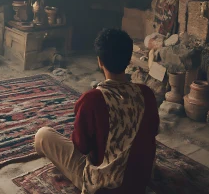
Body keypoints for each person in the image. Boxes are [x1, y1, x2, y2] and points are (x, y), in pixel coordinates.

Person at [34, 28, 160, 194]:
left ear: (100, 61)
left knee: (43, 136)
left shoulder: (92, 99)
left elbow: (82, 146)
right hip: (139, 181)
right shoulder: (146, 94)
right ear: (129, 60)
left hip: (105, 187)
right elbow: (153, 130)